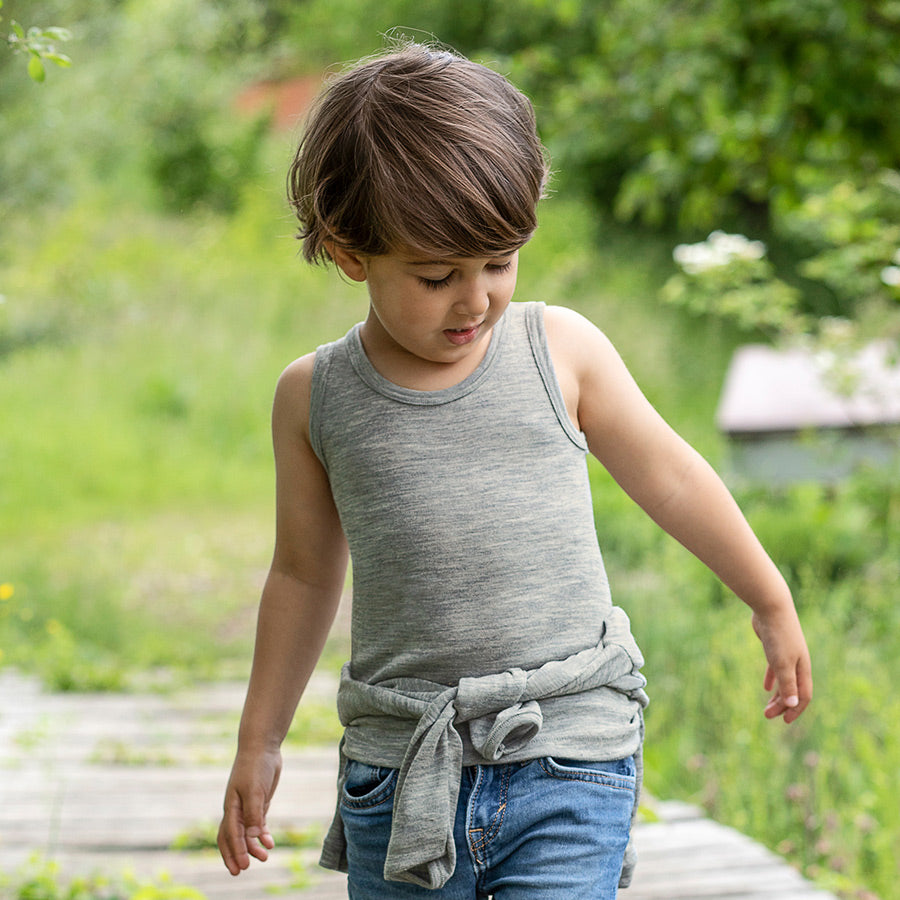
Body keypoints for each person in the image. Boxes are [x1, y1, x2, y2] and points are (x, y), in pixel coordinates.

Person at [217, 42, 812, 899]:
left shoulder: (558, 351)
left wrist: (769, 597)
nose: (476, 299)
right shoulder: (315, 396)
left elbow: (673, 479)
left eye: (499, 261)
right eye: (436, 275)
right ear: (351, 253)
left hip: (569, 751)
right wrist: (259, 741)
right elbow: (304, 574)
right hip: (402, 767)